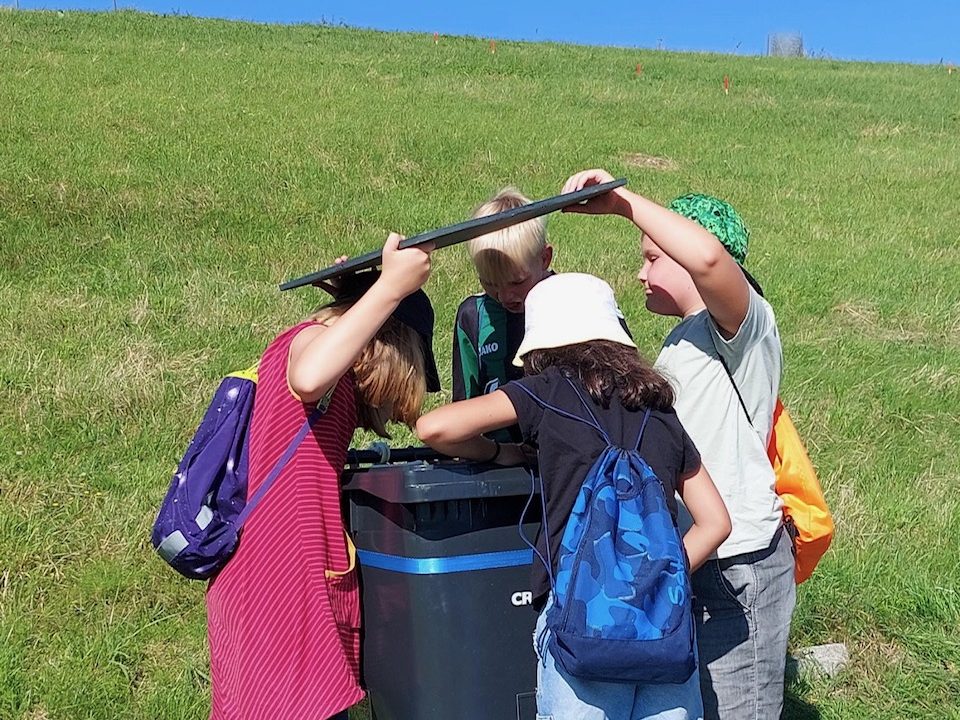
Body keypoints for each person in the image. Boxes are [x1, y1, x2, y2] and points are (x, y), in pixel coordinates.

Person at [418, 273, 731, 720]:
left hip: (580, 623)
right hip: (660, 625)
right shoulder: (660, 410)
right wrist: (653, 577)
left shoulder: (546, 391)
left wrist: (500, 452)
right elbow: (716, 522)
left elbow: (435, 427)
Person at [560, 169, 795, 720]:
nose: (641, 272)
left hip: (738, 566)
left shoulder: (743, 327)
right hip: (696, 555)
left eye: (653, 257)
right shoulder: (684, 338)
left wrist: (622, 204)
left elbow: (711, 260)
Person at [206, 233, 438, 720]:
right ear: (396, 346)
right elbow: (309, 377)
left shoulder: (337, 374)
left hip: (277, 578)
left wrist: (355, 294)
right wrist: (389, 289)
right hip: (282, 584)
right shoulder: (309, 345)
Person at [452, 187, 554, 403]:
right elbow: (464, 403)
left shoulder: (571, 302)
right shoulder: (473, 317)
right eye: (490, 283)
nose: (504, 296)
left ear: (544, 258)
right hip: (493, 426)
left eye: (517, 282)